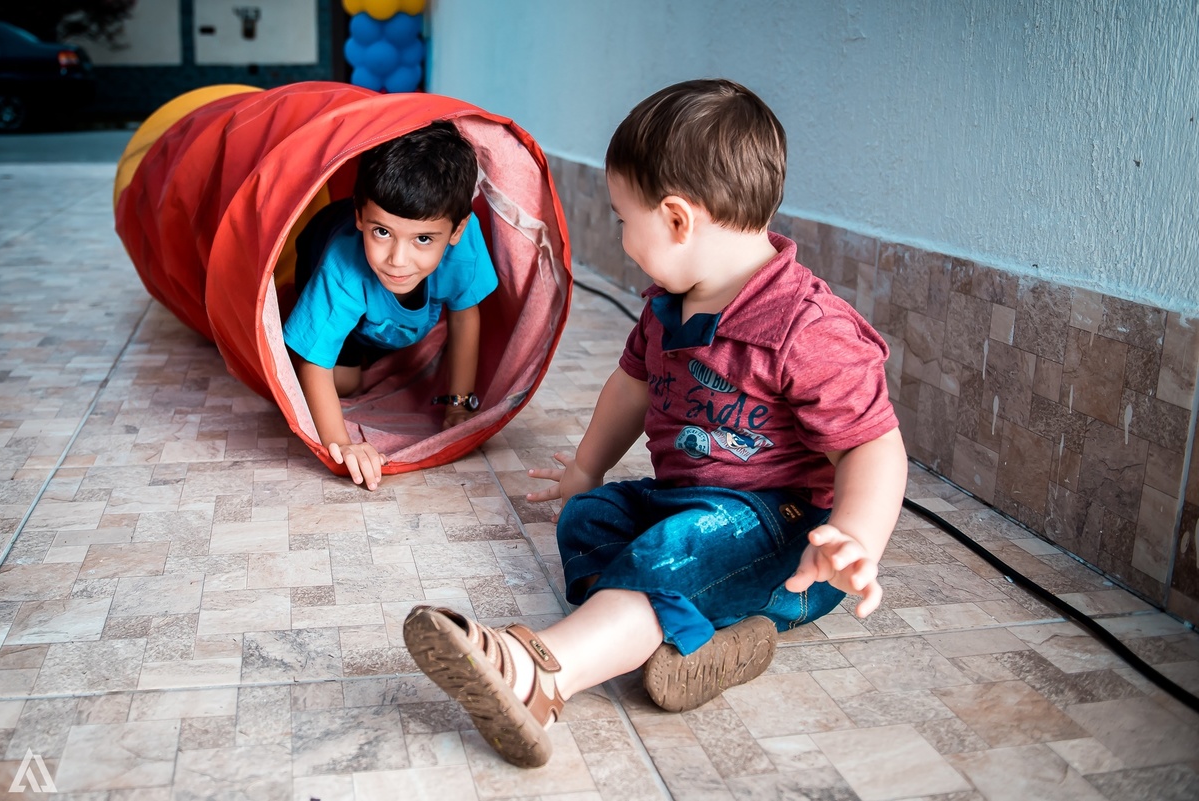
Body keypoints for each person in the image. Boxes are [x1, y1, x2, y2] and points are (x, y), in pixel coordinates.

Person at [402, 79, 908, 768]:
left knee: (680, 545)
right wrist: (587, 468)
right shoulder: (669, 303)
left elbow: (873, 445)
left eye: (621, 216)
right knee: (589, 518)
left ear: (675, 220)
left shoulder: (805, 327)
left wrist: (854, 538)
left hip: (787, 540)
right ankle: (702, 643)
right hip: (689, 504)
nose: (619, 233)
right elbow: (630, 386)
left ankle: (541, 672)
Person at [283, 121, 497, 491]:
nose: (398, 259)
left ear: (457, 231)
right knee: (344, 382)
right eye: (382, 232)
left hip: (376, 286)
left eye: (423, 239)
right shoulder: (342, 266)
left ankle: (366, 326)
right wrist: (344, 446)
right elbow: (314, 365)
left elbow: (465, 317)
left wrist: (457, 402)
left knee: (380, 326)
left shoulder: (464, 246)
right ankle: (306, 316)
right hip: (318, 239)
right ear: (361, 217)